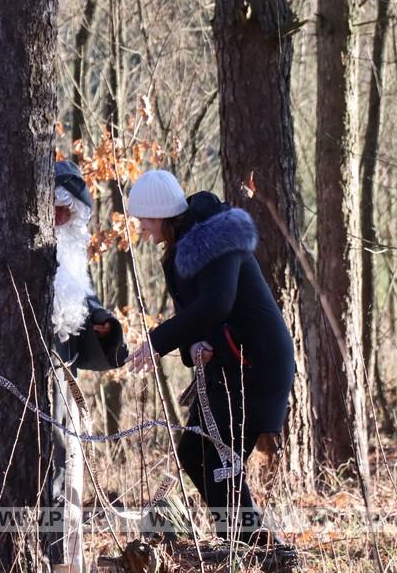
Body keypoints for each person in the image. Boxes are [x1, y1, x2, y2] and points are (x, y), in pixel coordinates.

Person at [0, 160, 128, 572]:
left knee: (60, 478)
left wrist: (103, 329)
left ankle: (58, 563)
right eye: (55, 209)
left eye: (68, 212)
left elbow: (79, 304)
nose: (61, 219)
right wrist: (9, 304)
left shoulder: (69, 252)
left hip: (56, 390)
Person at [125, 169, 296, 555]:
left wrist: (158, 341)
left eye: (144, 220)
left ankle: (266, 553)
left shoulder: (215, 239)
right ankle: (244, 545)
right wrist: (191, 347)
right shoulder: (183, 249)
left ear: (161, 214)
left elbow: (217, 303)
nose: (142, 230)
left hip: (256, 364)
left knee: (221, 462)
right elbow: (199, 318)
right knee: (195, 453)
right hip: (228, 365)